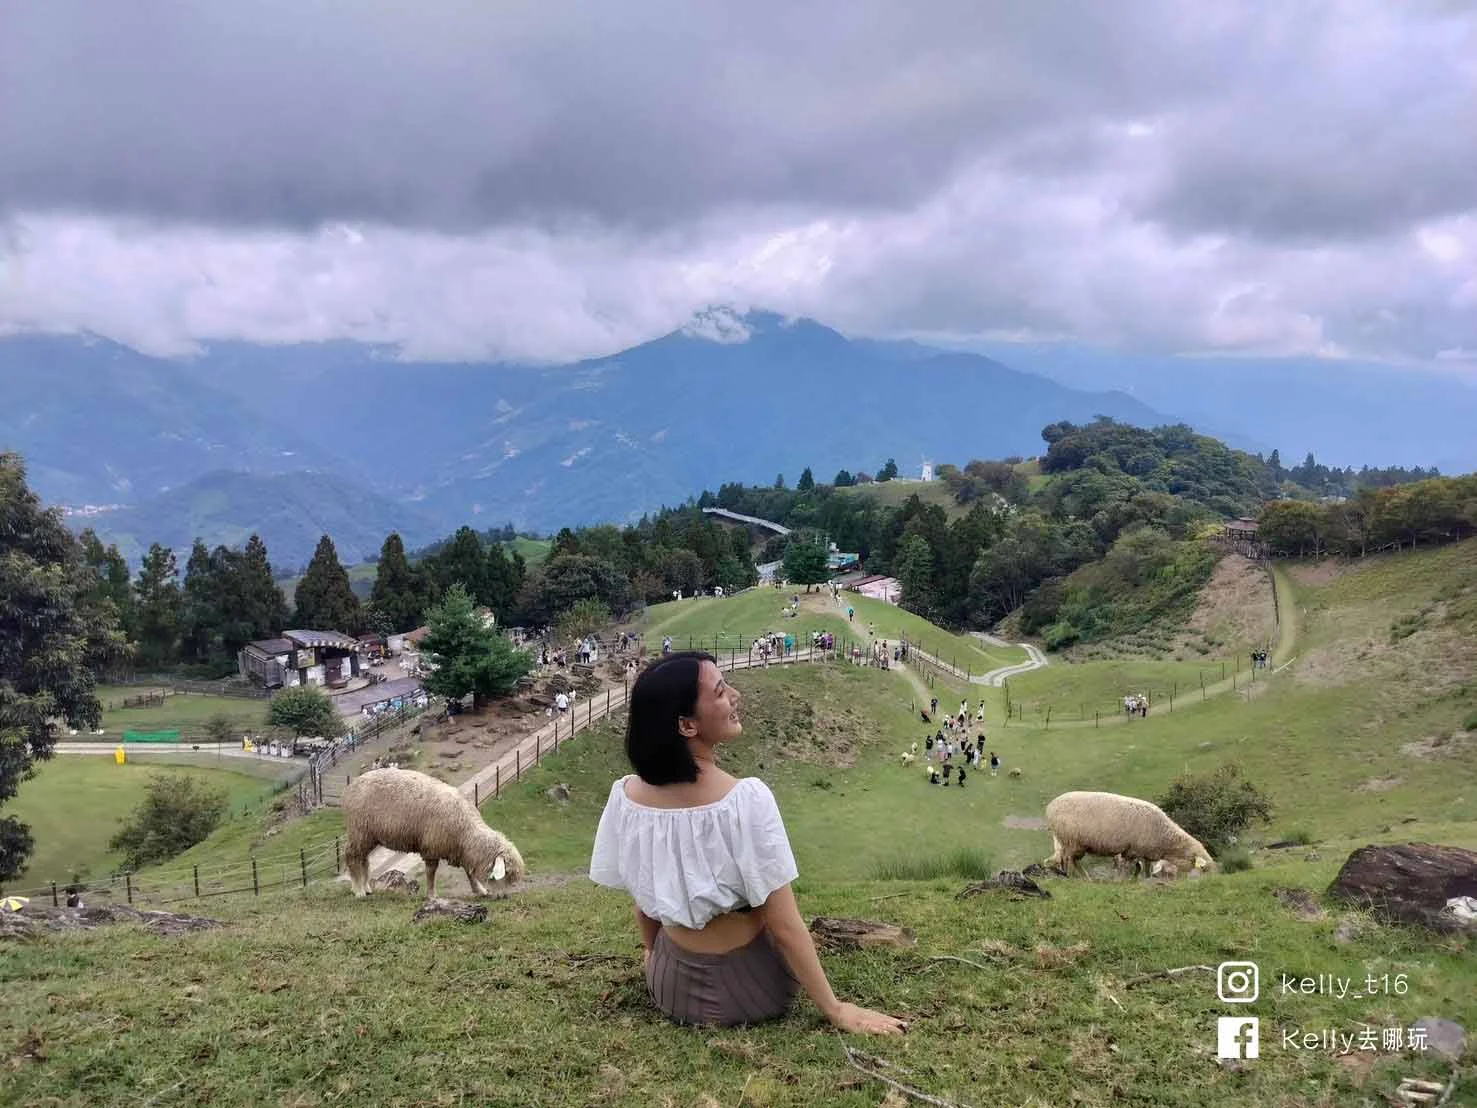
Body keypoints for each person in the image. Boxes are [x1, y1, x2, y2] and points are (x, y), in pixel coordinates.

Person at [590, 652, 906, 1034]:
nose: (735, 696)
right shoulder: (744, 800)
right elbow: (784, 924)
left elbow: (644, 902)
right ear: (687, 725)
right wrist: (836, 1010)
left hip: (669, 985)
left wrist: (651, 955)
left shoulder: (627, 798)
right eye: (721, 692)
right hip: (751, 990)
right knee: (770, 912)